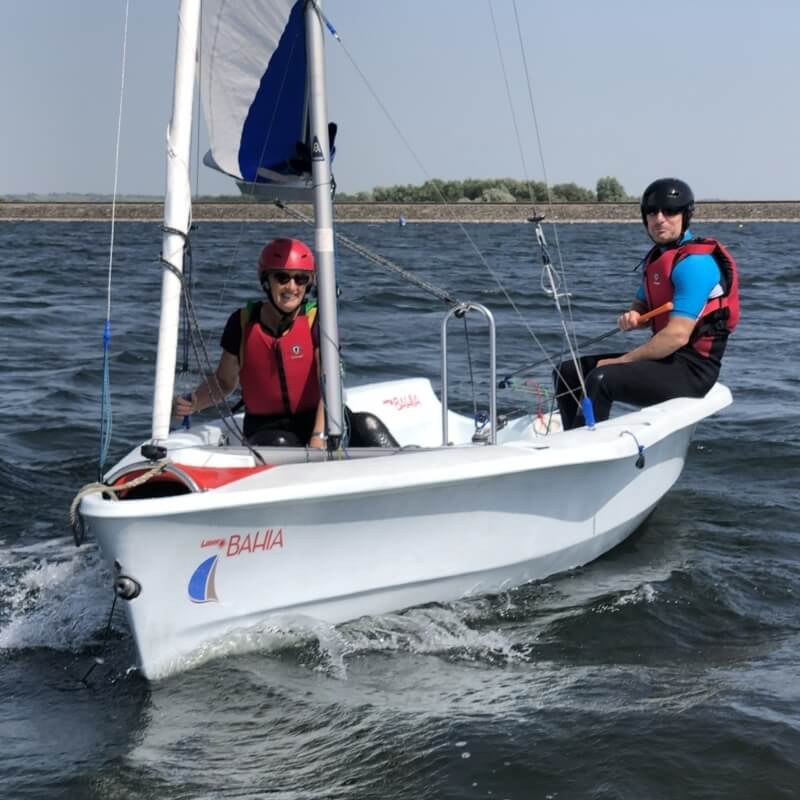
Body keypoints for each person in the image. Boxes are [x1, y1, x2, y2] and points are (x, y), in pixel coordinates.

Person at [554, 177, 740, 429]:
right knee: (567, 372)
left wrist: (622, 362)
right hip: (663, 360)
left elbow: (676, 336)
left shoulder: (695, 265)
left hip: (692, 370)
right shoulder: (659, 259)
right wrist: (633, 316)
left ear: (685, 215)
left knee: (600, 378)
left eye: (670, 211)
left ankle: (583, 450)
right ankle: (572, 437)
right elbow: (642, 304)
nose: (660, 218)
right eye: (652, 211)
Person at [175, 237, 326, 448]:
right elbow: (225, 382)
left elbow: (328, 382)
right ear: (266, 281)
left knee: (367, 427)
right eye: (282, 278)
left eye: (300, 279)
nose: (292, 287)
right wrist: (194, 402)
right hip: (266, 428)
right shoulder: (242, 322)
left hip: (315, 421)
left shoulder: (318, 320)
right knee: (281, 444)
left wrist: (318, 435)